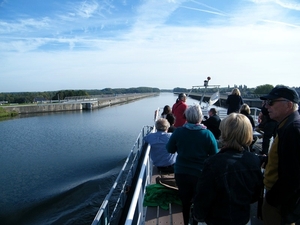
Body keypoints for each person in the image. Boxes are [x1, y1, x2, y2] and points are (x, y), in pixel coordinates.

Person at [193, 113, 264, 225]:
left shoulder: (213, 163)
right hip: (242, 219)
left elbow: (203, 198)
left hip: (216, 220)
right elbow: (255, 195)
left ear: (224, 132)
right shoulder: (254, 161)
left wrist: (198, 216)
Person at [166, 104, 218, 225]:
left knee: (185, 201)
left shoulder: (179, 132)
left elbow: (170, 149)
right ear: (200, 117)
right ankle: (194, 222)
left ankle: (184, 222)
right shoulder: (208, 134)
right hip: (199, 174)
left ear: (186, 117)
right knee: (197, 200)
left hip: (181, 173)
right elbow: (214, 155)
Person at [259, 86, 300, 225]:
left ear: (289, 104)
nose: (267, 106)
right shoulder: (285, 125)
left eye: (271, 102)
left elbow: (293, 176)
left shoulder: (293, 130)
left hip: (280, 204)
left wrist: (272, 200)